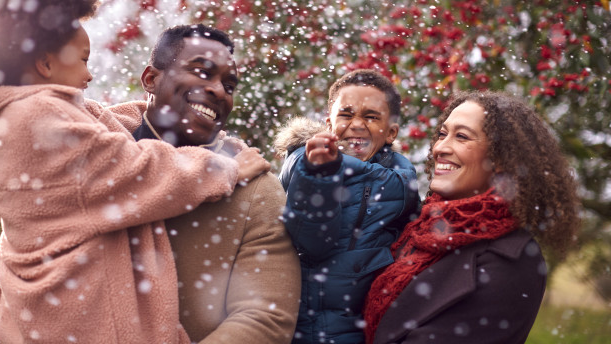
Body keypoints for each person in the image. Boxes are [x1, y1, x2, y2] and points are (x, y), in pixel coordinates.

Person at [0, 0, 268, 343]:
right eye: (82, 59)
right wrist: (225, 167)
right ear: (45, 62)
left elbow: (106, 129)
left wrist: (166, 117)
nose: (90, 75)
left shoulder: (34, 114)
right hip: (74, 321)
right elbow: (138, 171)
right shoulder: (39, 115)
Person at [105, 24, 302, 343]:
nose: (218, 90)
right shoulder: (91, 162)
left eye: (229, 84)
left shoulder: (255, 191)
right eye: (202, 72)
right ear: (151, 79)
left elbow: (264, 317)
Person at [364, 90, 581, 344]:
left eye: (462, 137)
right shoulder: (413, 227)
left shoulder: (514, 261)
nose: (440, 148)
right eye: (443, 134)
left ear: (501, 158)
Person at [274, 69, 420, 344]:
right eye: (346, 114)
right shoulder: (304, 165)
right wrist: (320, 174)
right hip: (296, 330)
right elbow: (313, 241)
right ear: (329, 124)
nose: (356, 124)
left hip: (362, 332)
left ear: (390, 133)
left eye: (371, 116)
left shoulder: (402, 186)